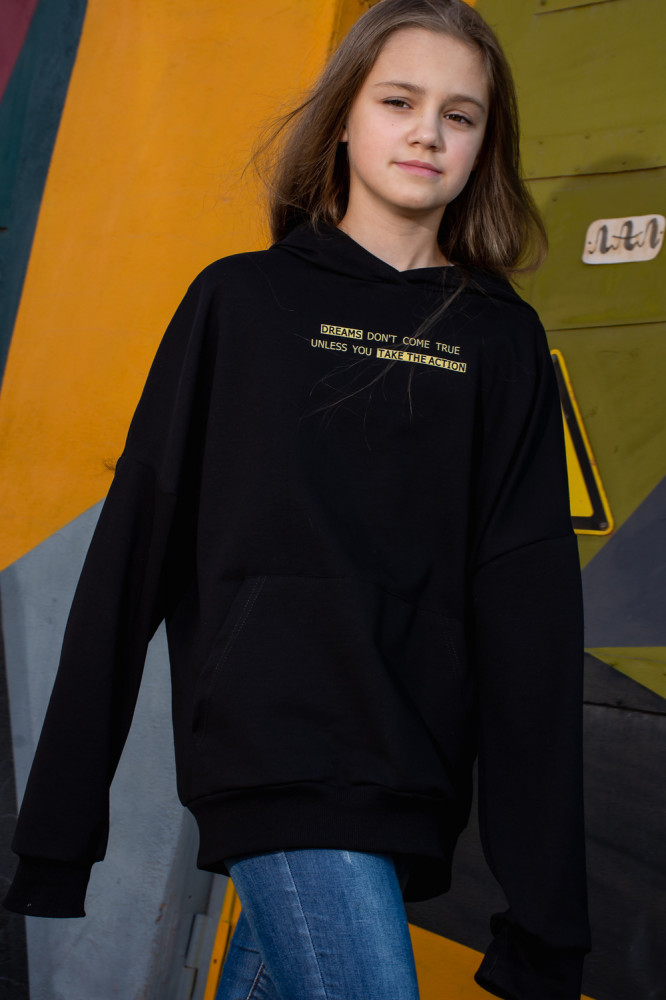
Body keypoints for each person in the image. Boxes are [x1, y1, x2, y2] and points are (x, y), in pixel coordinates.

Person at [4, 1, 591, 997]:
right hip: (267, 750)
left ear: (485, 146)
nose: (428, 132)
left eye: (460, 115)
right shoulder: (240, 302)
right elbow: (132, 555)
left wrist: (546, 917)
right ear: (345, 119)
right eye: (398, 101)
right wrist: (59, 833)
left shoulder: (501, 342)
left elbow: (527, 615)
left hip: (408, 774)